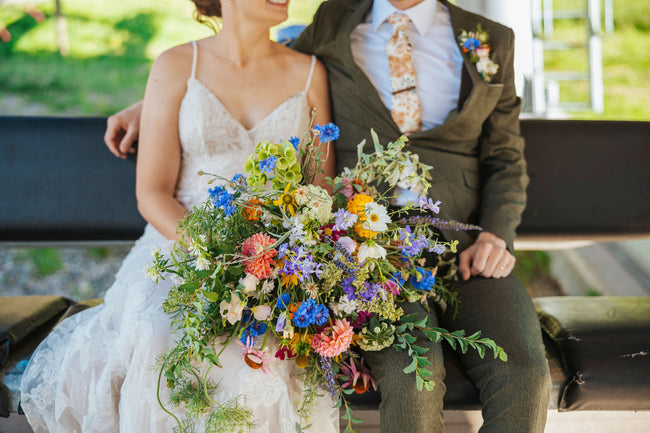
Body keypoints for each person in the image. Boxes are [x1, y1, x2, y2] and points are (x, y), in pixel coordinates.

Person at [104, 0, 552, 432]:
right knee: (415, 376)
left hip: (468, 248)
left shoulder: (491, 40)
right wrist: (162, 101)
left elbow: (504, 156)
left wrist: (496, 234)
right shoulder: (337, 19)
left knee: (527, 376)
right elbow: (254, 54)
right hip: (368, 259)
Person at [20, 0, 338, 432]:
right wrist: (218, 253)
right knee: (161, 336)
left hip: (276, 262)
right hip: (179, 245)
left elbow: (319, 189)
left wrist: (273, 263)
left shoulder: (308, 73)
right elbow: (152, 193)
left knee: (257, 354)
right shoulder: (175, 65)